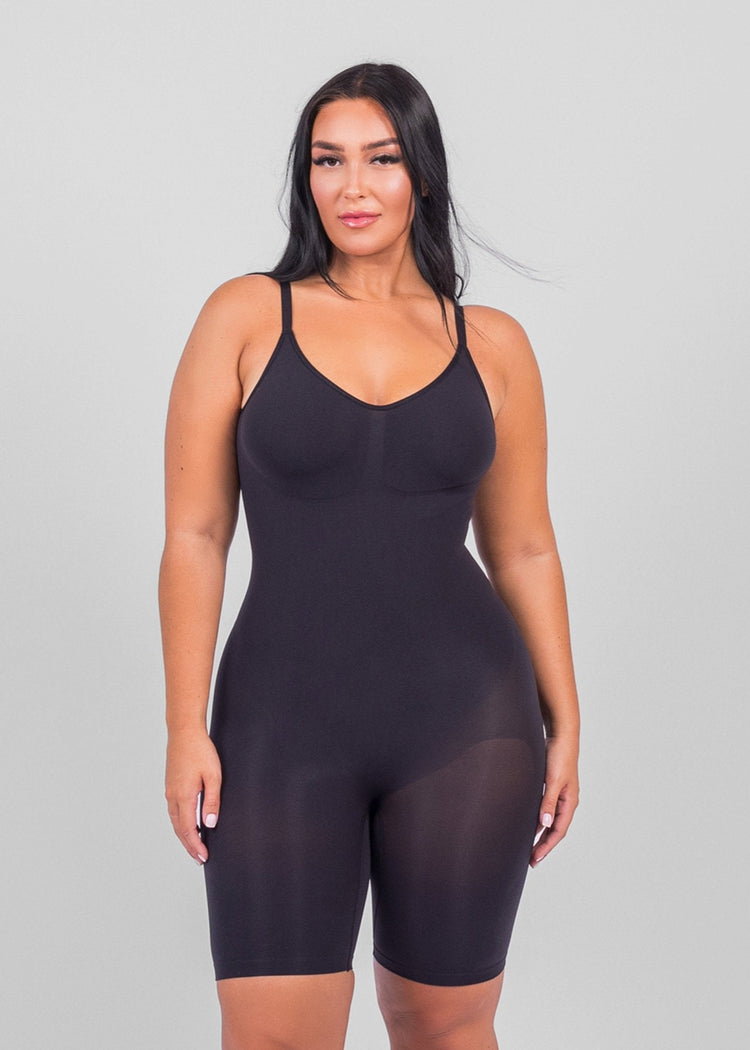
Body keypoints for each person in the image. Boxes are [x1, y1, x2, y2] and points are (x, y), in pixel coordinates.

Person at [159, 62, 580, 1050]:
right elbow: (195, 536)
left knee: (444, 1026)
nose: (353, 186)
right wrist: (184, 727)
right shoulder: (246, 316)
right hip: (280, 723)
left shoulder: (494, 345)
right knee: (271, 1033)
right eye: (328, 161)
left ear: (421, 175)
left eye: (381, 159)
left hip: (470, 723)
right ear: (305, 177)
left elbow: (524, 546)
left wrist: (565, 718)